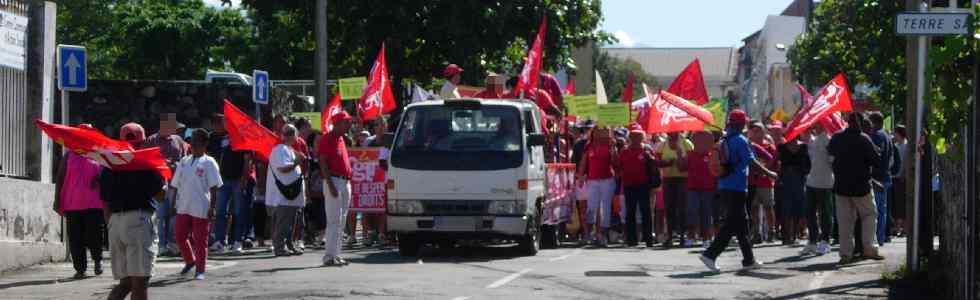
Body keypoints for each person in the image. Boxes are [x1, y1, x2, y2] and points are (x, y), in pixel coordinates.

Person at [699, 110, 776, 273]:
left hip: (725, 185)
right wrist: (769, 173)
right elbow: (750, 160)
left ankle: (749, 260)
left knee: (742, 225)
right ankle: (710, 255)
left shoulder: (725, 138)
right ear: (741, 124)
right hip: (736, 188)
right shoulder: (740, 140)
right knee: (732, 224)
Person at [103, 123, 166, 300]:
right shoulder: (145, 163)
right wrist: (166, 182)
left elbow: (104, 200)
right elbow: (161, 196)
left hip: (115, 223)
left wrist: (111, 224)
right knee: (140, 283)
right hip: (138, 221)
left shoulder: (110, 165)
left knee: (126, 283)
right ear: (144, 140)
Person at [828, 112, 885, 265]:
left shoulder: (836, 137)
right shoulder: (864, 139)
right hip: (861, 187)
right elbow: (876, 160)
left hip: (841, 187)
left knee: (845, 222)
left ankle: (846, 254)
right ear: (859, 123)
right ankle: (869, 249)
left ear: (848, 122)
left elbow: (830, 154)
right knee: (869, 215)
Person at [54, 124, 105, 279]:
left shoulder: (99, 154)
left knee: (94, 235)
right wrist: (57, 199)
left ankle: (97, 261)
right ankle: (80, 268)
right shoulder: (69, 155)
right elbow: (60, 178)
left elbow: (110, 173)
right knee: (75, 237)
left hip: (94, 203)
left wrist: (100, 178)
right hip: (72, 203)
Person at [170, 129, 222, 280]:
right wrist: (173, 202)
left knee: (200, 240)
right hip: (183, 205)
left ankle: (200, 270)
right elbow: (176, 184)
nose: (192, 144)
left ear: (205, 144)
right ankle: (190, 260)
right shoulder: (184, 161)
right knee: (179, 236)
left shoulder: (209, 162)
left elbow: (214, 187)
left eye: (196, 141)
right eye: (192, 141)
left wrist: (212, 207)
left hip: (201, 206)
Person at [207, 113, 254, 255]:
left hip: (237, 179)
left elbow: (247, 159)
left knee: (239, 211)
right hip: (221, 180)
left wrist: (244, 178)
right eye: (215, 123)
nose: (218, 125)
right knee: (220, 211)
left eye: (221, 122)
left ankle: (237, 241)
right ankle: (219, 241)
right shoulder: (213, 138)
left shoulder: (239, 135)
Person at [142, 113, 187, 257]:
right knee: (161, 215)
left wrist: (174, 164)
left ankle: (173, 244)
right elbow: (145, 158)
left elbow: (184, 160)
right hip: (158, 182)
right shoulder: (151, 140)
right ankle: (162, 245)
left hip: (175, 182)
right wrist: (160, 163)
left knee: (174, 214)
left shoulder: (178, 140)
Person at [319, 112, 354, 266]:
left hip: (344, 182)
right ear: (338, 123)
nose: (348, 125)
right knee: (334, 220)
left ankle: (336, 254)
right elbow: (323, 162)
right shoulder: (327, 138)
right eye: (346, 122)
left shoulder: (341, 139)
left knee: (342, 220)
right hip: (333, 181)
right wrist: (331, 185)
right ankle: (329, 256)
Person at [267, 124, 308, 257]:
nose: (292, 136)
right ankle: (279, 247)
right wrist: (297, 162)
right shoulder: (280, 149)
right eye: (289, 133)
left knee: (291, 223)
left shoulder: (288, 149)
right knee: (283, 222)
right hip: (284, 195)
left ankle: (289, 244)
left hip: (291, 194)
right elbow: (283, 168)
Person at [578, 127, 619, 247]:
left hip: (607, 180)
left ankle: (603, 235)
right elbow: (583, 162)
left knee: (605, 208)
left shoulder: (610, 146)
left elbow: (616, 164)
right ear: (593, 133)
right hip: (592, 181)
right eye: (597, 131)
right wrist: (580, 176)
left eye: (602, 131)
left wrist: (613, 150)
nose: (599, 133)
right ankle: (589, 234)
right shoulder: (588, 146)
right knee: (591, 207)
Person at [618, 129, 656, 247]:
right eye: (633, 137)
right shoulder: (625, 151)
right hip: (629, 185)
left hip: (643, 185)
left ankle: (648, 238)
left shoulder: (647, 149)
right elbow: (619, 166)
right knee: (630, 212)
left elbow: (655, 163)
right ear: (630, 138)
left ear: (642, 138)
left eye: (638, 137)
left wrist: (649, 157)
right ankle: (631, 239)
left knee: (646, 212)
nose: (635, 139)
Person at [656, 132, 693, 248]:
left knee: (682, 208)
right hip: (668, 179)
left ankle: (682, 236)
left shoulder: (687, 144)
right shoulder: (662, 145)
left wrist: (681, 156)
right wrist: (669, 162)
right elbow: (657, 163)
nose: (672, 134)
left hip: (683, 179)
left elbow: (690, 163)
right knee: (669, 208)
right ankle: (670, 236)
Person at [869, 112, 901, 245]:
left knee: (876, 210)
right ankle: (881, 236)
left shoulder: (877, 136)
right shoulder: (887, 136)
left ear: (874, 122)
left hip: (878, 178)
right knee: (883, 210)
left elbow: (877, 157)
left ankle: (878, 237)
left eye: (870, 122)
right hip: (886, 176)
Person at [682, 131, 718, 249]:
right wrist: (679, 156)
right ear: (694, 142)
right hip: (693, 188)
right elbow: (682, 168)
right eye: (699, 140)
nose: (702, 143)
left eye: (705, 141)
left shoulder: (712, 155)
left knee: (706, 213)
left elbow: (717, 171)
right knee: (692, 212)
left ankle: (706, 238)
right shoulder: (690, 155)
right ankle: (691, 237)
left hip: (708, 189)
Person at [802, 126, 835, 256]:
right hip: (812, 181)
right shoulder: (813, 140)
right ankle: (812, 241)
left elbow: (832, 160)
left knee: (825, 213)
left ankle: (825, 241)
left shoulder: (829, 140)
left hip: (825, 182)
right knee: (810, 212)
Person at [776, 136, 810, 245]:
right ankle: (787, 236)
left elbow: (808, 164)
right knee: (786, 208)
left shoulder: (804, 147)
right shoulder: (782, 147)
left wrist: (803, 173)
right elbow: (775, 160)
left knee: (798, 207)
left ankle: (794, 235)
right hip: (786, 181)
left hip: (799, 180)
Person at [748, 121, 777, 244]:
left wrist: (765, 170)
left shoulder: (769, 146)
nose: (756, 132)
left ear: (763, 131)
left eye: (759, 130)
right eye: (754, 130)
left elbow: (775, 161)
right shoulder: (748, 145)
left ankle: (771, 231)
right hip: (752, 182)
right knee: (753, 208)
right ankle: (757, 233)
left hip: (765, 182)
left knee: (768, 207)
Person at [891, 125, 909, 237]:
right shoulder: (896, 145)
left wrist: (903, 174)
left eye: (895, 133)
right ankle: (898, 226)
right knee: (897, 203)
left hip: (903, 177)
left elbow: (906, 162)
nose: (894, 135)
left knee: (903, 203)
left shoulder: (906, 145)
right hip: (895, 177)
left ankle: (905, 228)